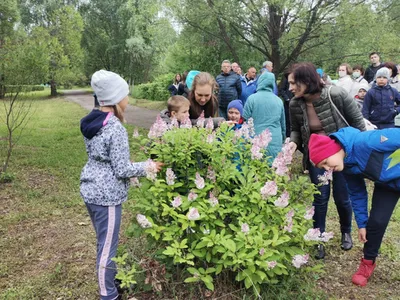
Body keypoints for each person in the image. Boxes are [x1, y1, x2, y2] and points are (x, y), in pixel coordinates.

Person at [80, 70, 163, 300]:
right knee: (108, 248)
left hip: (90, 188)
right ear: (116, 99)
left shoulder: (91, 121)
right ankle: (108, 294)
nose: (128, 99)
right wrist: (150, 167)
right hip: (106, 195)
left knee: (104, 242)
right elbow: (122, 169)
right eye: (126, 95)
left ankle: (111, 281)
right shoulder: (115, 127)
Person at [287, 62, 366, 259]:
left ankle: (345, 231)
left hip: (341, 155)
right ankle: (318, 238)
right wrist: (291, 145)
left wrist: (350, 152)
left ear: (307, 81)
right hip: (318, 158)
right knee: (320, 198)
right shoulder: (295, 104)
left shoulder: (336, 94)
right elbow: (296, 130)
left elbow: (358, 125)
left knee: (342, 197)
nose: (290, 88)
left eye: (293, 83)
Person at [308, 127, 400, 287]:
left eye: (325, 163)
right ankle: (367, 263)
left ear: (332, 150)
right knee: (376, 223)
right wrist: (362, 224)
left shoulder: (367, 142)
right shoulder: (348, 166)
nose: (327, 169)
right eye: (323, 168)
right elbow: (357, 194)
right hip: (387, 185)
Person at [243, 71, 285, 160]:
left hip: (255, 140)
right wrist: (283, 140)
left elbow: (245, 120)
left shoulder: (251, 99)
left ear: (260, 81)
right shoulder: (279, 101)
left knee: (256, 168)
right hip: (275, 140)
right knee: (273, 170)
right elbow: (283, 125)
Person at [279, 71, 294, 137]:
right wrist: (287, 99)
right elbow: (281, 90)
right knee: (287, 121)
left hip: (295, 102)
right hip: (288, 104)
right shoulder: (286, 78)